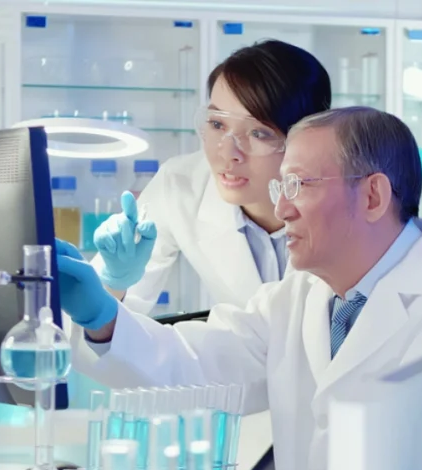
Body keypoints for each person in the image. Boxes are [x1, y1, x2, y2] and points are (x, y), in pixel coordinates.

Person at [57, 106, 422, 470]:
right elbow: (194, 366)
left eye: (298, 185)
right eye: (281, 185)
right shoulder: (300, 295)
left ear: (372, 196)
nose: (281, 207)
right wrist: (103, 315)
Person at [88, 39, 332, 315]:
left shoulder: (346, 202)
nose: (227, 153)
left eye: (258, 132)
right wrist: (114, 282)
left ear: (307, 139)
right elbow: (107, 326)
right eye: (217, 124)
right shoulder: (181, 185)